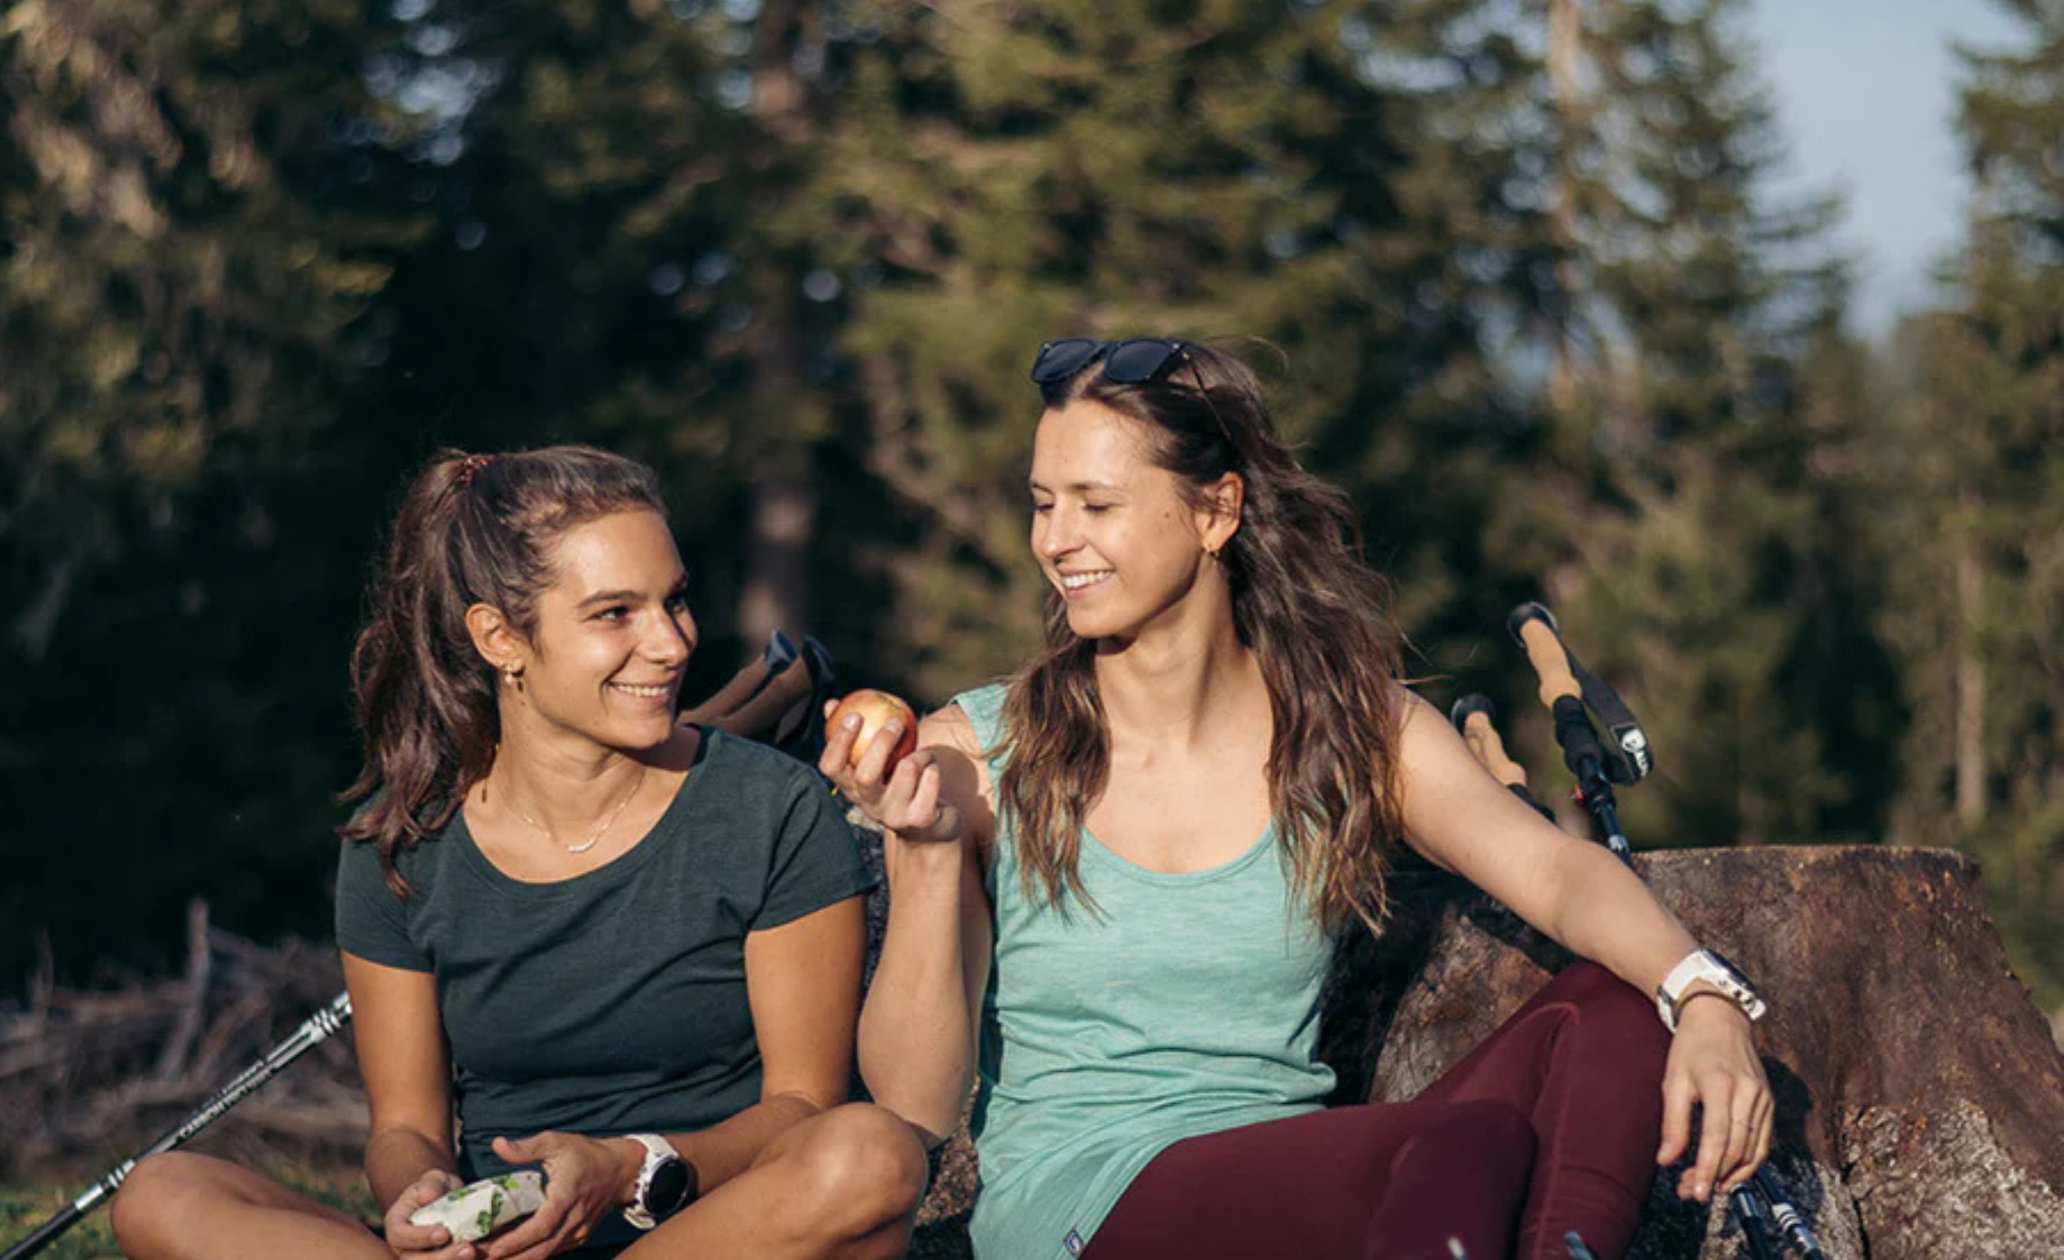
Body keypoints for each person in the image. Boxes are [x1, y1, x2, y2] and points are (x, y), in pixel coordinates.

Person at [823, 340, 1775, 1260]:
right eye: (1043, 503)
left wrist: (1705, 996)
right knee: (1458, 1146)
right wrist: (930, 851)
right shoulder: (977, 753)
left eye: (1096, 504)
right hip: (1083, 1208)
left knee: (1620, 1002)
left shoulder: (1349, 728)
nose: (1054, 541)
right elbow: (912, 1102)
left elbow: (1554, 869)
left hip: (1295, 1187)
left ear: (1216, 512)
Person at [112, 445, 927, 1260]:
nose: (673, 643)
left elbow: (800, 1109)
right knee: (160, 1192)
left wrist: (630, 1167)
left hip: (704, 1235)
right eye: (615, 613)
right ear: (500, 637)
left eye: (674, 600)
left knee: (871, 1156)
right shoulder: (403, 846)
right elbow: (406, 1127)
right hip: (497, 1245)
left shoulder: (770, 808)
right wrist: (422, 1197)